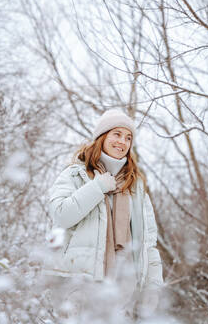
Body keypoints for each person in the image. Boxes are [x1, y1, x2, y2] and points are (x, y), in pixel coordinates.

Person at [44, 109, 164, 319]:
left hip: (125, 290)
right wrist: (97, 187)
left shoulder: (135, 187)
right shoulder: (76, 174)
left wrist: (153, 286)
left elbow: (148, 244)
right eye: (116, 134)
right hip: (80, 287)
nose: (122, 142)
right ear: (102, 137)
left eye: (128, 138)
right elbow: (61, 215)